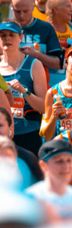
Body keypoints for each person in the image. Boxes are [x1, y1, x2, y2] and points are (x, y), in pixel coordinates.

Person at [0, 22, 48, 157]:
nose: (7, 39)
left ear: (20, 37)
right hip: (3, 134)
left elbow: (44, 107)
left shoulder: (34, 64)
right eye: (3, 36)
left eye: (11, 35)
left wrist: (24, 92)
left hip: (28, 133)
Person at [24, 138, 72, 225]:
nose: (66, 167)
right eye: (59, 161)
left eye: (69, 160)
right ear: (43, 165)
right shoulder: (31, 198)